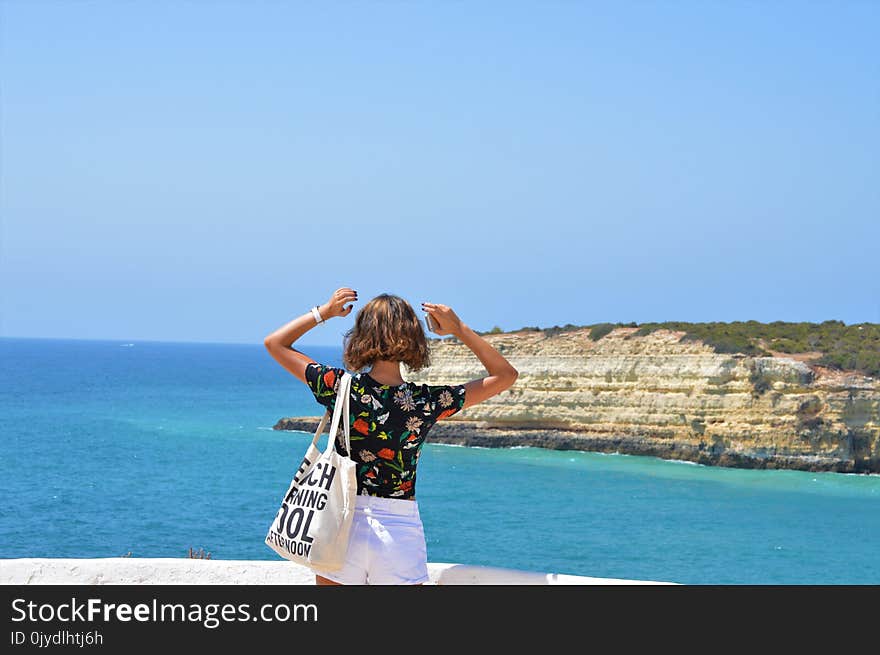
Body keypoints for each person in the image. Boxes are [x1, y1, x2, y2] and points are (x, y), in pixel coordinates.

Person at [263, 288, 518, 585]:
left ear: (361, 337)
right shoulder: (425, 401)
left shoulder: (338, 386)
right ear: (413, 338)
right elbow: (505, 375)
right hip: (399, 528)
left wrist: (326, 311)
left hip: (339, 521)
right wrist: (458, 329)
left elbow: (275, 343)